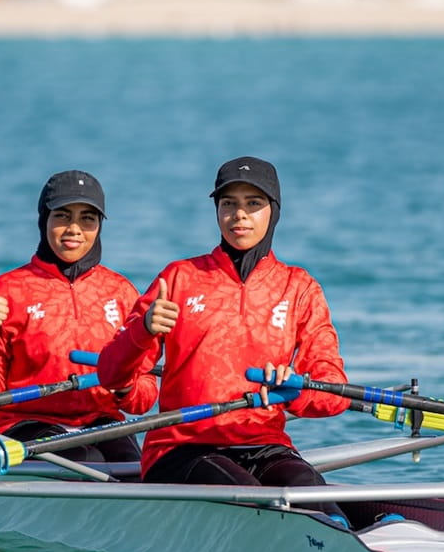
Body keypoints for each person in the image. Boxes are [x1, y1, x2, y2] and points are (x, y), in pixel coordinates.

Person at [96, 156, 350, 496]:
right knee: (253, 497)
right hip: (182, 446)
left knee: (310, 491)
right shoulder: (179, 278)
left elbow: (334, 391)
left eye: (253, 203)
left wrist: (297, 389)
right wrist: (142, 329)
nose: (239, 214)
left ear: (274, 211)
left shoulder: (299, 287)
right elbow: (111, 375)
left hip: (264, 443)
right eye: (228, 203)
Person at [0, 169, 157, 463]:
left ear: (99, 226)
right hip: (25, 422)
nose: (74, 229)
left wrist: (125, 385)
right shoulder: (8, 290)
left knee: (135, 468)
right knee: (88, 461)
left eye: (87, 219)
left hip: (101, 420)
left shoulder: (122, 291)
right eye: (63, 216)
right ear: (44, 220)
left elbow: (142, 401)